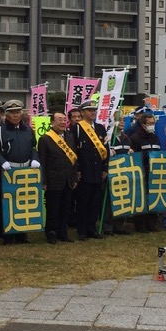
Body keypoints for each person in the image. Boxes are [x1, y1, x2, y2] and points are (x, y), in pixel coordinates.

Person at [0, 99, 40, 244]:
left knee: (23, 201)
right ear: (6, 115)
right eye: (12, 113)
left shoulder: (28, 130)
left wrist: (34, 159)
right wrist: (2, 162)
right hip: (8, 170)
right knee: (8, 202)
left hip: (25, 170)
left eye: (18, 112)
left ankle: (22, 234)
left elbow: (33, 148)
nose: (15, 115)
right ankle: (8, 235)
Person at [37, 111, 77, 244]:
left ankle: (63, 232)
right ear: (52, 122)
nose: (62, 122)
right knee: (53, 208)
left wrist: (75, 176)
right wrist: (44, 181)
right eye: (59, 119)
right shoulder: (45, 139)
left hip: (68, 179)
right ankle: (51, 232)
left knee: (66, 207)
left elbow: (74, 158)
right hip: (53, 179)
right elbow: (43, 161)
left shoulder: (70, 137)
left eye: (64, 119)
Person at [70, 99, 108, 240]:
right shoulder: (77, 129)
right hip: (84, 170)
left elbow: (105, 150)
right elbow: (73, 151)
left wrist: (105, 167)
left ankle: (92, 228)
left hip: (97, 170)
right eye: (89, 110)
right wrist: (77, 169)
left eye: (94, 110)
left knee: (95, 202)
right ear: (82, 112)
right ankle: (82, 230)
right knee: (82, 202)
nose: (93, 112)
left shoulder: (100, 128)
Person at [126, 108, 162, 232]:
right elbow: (134, 155)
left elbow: (159, 152)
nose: (152, 126)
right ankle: (140, 225)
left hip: (154, 171)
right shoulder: (135, 137)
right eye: (149, 123)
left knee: (152, 196)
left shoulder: (155, 138)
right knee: (141, 197)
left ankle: (152, 224)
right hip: (141, 171)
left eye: (153, 123)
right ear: (143, 124)